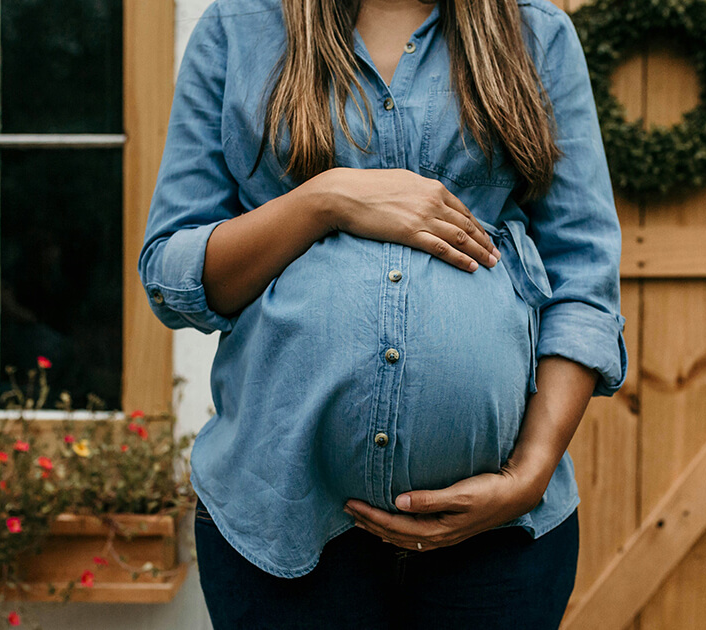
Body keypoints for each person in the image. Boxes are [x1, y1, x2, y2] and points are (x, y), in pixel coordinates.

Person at [138, 0, 627, 626]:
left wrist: (529, 475)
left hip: (499, 543)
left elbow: (583, 273)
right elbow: (171, 273)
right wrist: (324, 199)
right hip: (278, 526)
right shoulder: (238, 30)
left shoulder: (537, 33)